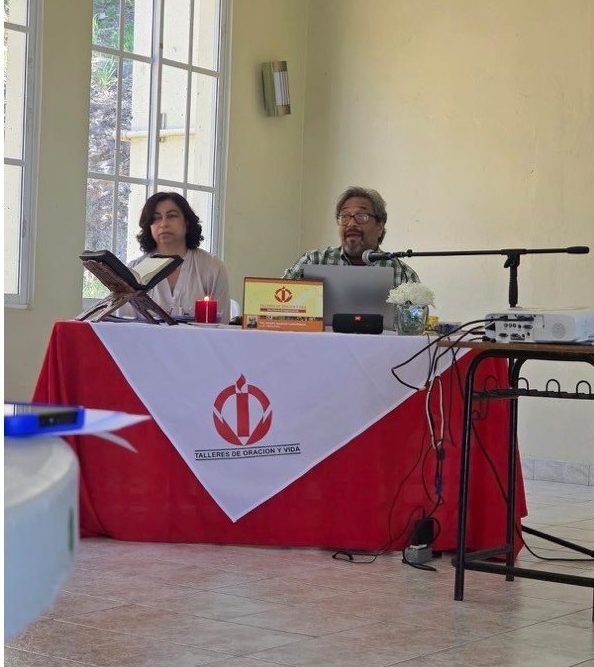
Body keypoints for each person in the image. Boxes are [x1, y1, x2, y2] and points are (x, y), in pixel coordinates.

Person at [124, 192, 230, 323]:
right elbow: (122, 323)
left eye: (172, 216)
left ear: (187, 222)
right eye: (156, 218)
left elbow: (222, 324)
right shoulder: (134, 270)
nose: (164, 224)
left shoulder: (212, 267)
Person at [283, 186, 419, 286]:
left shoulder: (403, 274)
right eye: (345, 216)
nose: (351, 224)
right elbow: (278, 304)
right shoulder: (313, 261)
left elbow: (417, 316)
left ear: (380, 226)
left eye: (361, 216)